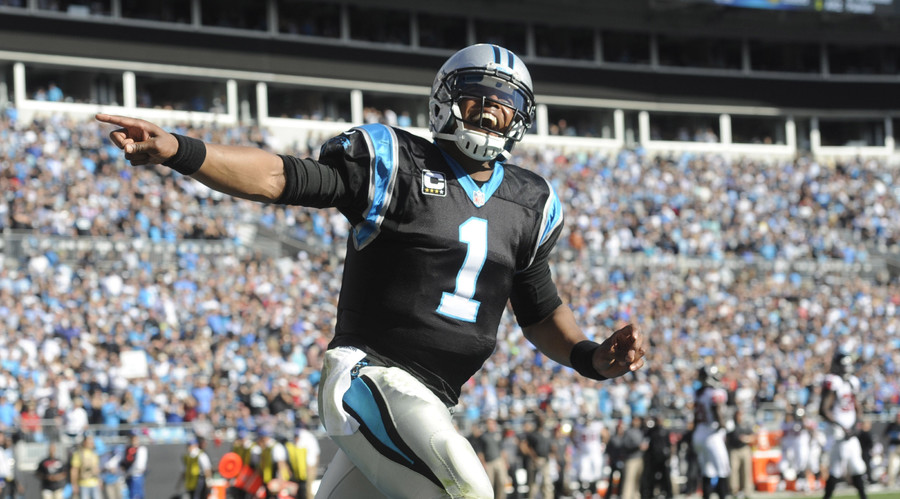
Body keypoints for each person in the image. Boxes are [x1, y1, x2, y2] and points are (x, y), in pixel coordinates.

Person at [95, 42, 646, 499]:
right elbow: (282, 177)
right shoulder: (396, 162)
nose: (489, 111)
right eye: (477, 97)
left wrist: (591, 358)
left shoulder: (530, 201)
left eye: (503, 103)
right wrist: (181, 150)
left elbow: (539, 307)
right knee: (468, 489)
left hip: (431, 399)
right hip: (368, 378)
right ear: (445, 101)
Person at [819, 349, 868, 499]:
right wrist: (841, 426)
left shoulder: (852, 381)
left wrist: (855, 425)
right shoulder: (834, 381)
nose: (847, 367)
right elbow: (824, 409)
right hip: (837, 431)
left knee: (857, 466)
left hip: (850, 430)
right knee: (836, 468)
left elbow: (857, 406)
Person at [691, 365, 730, 499]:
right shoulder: (715, 393)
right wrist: (723, 425)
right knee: (722, 469)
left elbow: (696, 417)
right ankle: (723, 495)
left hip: (699, 433)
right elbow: (716, 409)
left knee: (707, 470)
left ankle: (706, 496)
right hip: (711, 433)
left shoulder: (697, 393)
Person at [471, 417, 507, 499]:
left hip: (499, 461)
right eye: (489, 423)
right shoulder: (483, 436)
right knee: (490, 484)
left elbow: (501, 449)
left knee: (502, 482)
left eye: (492, 423)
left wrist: (505, 462)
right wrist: (483, 463)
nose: (491, 425)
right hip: (489, 462)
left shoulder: (498, 434)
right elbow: (480, 452)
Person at [521, 413, 553, 499]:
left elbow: (551, 446)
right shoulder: (532, 434)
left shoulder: (546, 433)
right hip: (536, 460)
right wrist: (533, 457)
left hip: (545, 460)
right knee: (533, 483)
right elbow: (525, 446)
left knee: (547, 483)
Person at [640, 415, 673, 499]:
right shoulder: (651, 431)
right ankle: (650, 494)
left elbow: (669, 445)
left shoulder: (665, 431)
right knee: (651, 478)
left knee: (665, 477)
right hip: (653, 458)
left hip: (663, 458)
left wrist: (669, 456)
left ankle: (668, 493)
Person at [725, 408, 755, 498]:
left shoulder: (746, 425)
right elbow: (727, 436)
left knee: (746, 471)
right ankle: (734, 491)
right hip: (734, 449)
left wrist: (746, 438)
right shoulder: (731, 424)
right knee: (733, 471)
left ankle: (746, 491)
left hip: (744, 449)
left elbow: (753, 436)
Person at [70, 434, 101, 499]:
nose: (91, 443)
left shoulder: (94, 454)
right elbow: (74, 470)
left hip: (94, 483)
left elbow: (96, 468)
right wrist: (74, 484)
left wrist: (99, 480)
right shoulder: (78, 454)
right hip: (83, 483)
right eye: (89, 441)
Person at [119, 432, 147, 499]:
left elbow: (139, 466)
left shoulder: (141, 449)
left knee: (137, 494)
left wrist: (129, 471)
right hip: (129, 476)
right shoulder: (127, 450)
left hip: (136, 475)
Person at [884, 411, 900, 487]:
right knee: (891, 465)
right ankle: (891, 482)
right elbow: (886, 435)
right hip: (893, 446)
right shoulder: (891, 425)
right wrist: (895, 436)